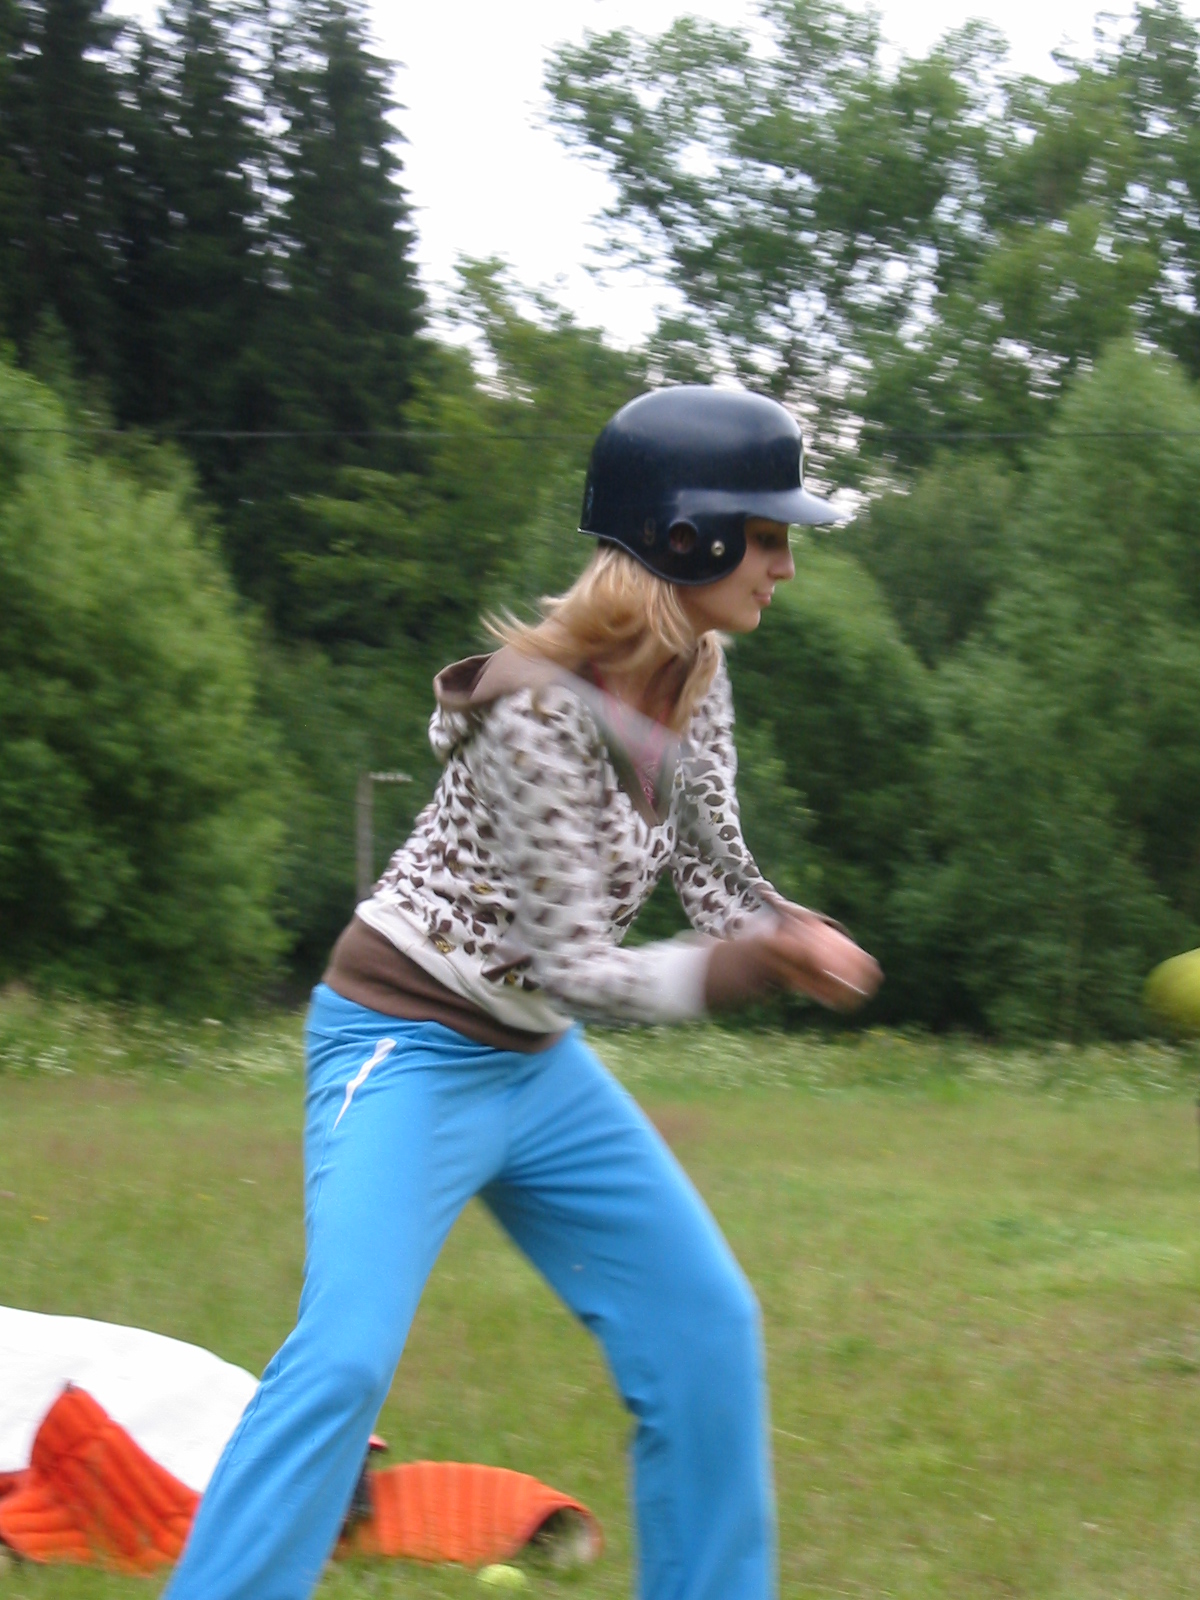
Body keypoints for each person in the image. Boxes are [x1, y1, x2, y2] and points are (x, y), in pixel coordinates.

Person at [164, 385, 882, 1600]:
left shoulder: (698, 671)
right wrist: (753, 966)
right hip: (406, 1045)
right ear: (685, 537)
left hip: (537, 1068)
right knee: (343, 1362)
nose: (785, 566)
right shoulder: (534, 710)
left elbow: (715, 869)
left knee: (706, 1328)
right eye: (767, 537)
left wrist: (784, 927)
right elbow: (575, 967)